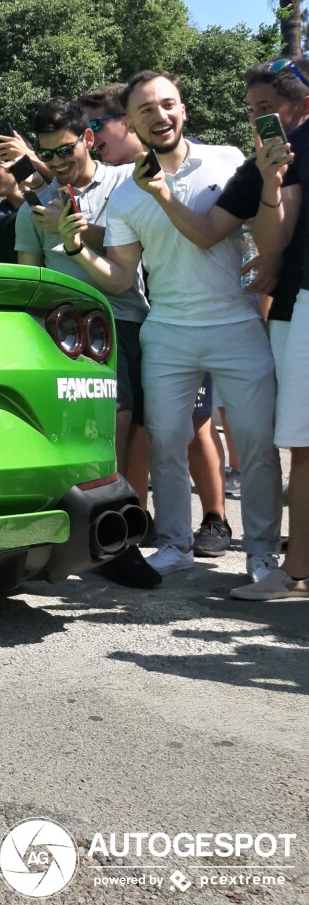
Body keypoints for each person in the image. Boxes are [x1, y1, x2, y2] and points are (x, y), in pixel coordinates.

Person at [59, 71, 282, 584]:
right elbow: (119, 277)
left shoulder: (227, 160)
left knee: (255, 444)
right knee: (164, 443)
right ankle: (176, 544)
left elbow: (236, 231)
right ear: (132, 124)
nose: (160, 116)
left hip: (237, 323)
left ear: (183, 110)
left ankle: (263, 555)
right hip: (169, 331)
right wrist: (76, 249)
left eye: (168, 105)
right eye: (146, 110)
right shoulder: (126, 196)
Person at [13, 97, 157, 588]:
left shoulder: (121, 184)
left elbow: (131, 252)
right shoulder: (34, 206)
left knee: (126, 432)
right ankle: (89, 542)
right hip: (63, 334)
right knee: (83, 435)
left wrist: (72, 232)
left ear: (89, 138)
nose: (58, 162)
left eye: (66, 149)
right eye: (48, 154)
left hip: (122, 321)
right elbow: (25, 277)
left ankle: (123, 534)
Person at [222, 58, 309, 599]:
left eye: (267, 110)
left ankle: (296, 572)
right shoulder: (279, 158)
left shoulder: (295, 151)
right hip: (294, 303)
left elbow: (272, 246)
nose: (258, 121)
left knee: (303, 447)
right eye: (252, 111)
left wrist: (272, 183)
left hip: (303, 306)